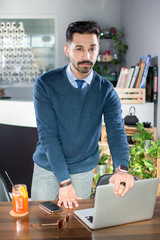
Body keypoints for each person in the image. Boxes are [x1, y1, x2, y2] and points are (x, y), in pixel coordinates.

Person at [31, 21, 134, 209]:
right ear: (67, 49)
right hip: (47, 170)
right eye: (79, 49)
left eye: (92, 49)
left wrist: (122, 169)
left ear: (98, 49)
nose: (86, 56)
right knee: (41, 226)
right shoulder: (45, 84)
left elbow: (116, 131)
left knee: (77, 228)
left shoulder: (106, 90)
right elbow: (48, 137)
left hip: (82, 171)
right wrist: (64, 182)